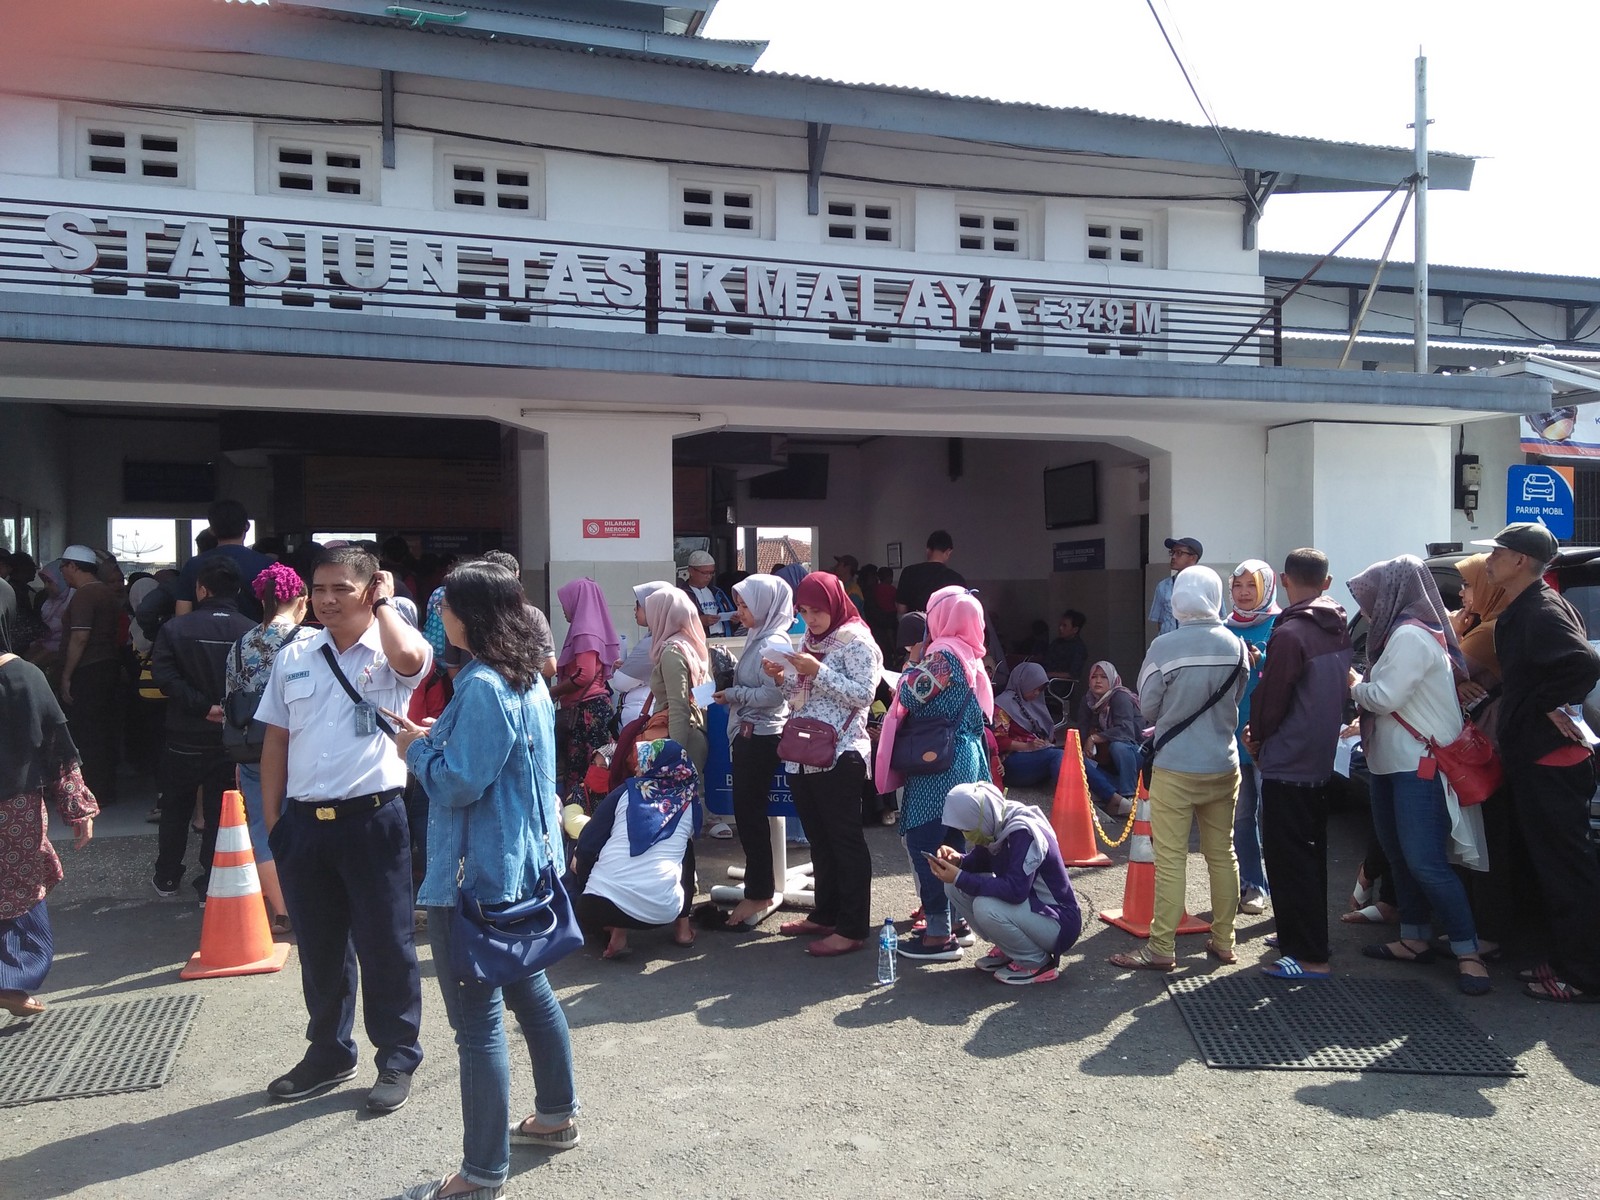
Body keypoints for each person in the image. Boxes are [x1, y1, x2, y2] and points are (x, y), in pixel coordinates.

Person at [392, 559, 580, 1199]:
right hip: (524, 867)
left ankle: (480, 1175)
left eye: (443, 607)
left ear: (467, 617)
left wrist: (415, 750)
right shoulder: (525, 680)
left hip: (474, 879)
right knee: (532, 994)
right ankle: (555, 1115)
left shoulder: (480, 686)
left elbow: (456, 783)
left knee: (478, 1027)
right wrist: (436, 741)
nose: (437, 618)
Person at [256, 546, 433, 1112]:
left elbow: (411, 663)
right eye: (319, 589)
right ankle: (329, 1051)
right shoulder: (295, 654)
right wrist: (275, 819)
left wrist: (385, 605)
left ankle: (397, 1057)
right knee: (321, 946)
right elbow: (276, 740)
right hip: (306, 823)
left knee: (387, 945)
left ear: (369, 590)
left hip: (373, 818)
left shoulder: (396, 642)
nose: (327, 601)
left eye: (342, 589)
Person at [1347, 555, 1490, 997]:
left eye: (1368, 599)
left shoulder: (1409, 635)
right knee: (1400, 854)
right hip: (1393, 763)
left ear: (1389, 595)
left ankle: (1468, 953)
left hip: (1417, 766)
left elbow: (1385, 696)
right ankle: (1413, 936)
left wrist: (1351, 683)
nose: (1366, 609)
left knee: (1425, 861)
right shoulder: (1404, 633)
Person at [1475, 522, 1600, 1003]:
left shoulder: (1541, 608)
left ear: (1521, 560)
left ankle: (1583, 974)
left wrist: (1547, 702)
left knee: (1568, 868)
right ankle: (1566, 959)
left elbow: (1584, 664)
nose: (1489, 560)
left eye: (1499, 552)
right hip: (1537, 754)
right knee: (1548, 866)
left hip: (1552, 757)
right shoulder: (1529, 604)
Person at [1110, 566, 1246, 972]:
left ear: (1178, 599)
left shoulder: (1164, 647)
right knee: (1223, 852)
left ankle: (1162, 948)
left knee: (1171, 859)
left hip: (1175, 766)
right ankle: (1224, 940)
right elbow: (1238, 696)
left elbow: (1148, 707)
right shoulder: (1236, 646)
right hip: (1223, 763)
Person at [1243, 548, 1350, 980]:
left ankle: (1308, 955)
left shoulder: (1290, 635)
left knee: (1290, 859)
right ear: (1326, 582)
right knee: (1309, 854)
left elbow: (1272, 699)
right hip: (1319, 757)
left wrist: (1257, 736)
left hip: (1288, 759)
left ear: (1284, 581)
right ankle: (1299, 937)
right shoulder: (1337, 627)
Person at [765, 571, 883, 957]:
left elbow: (865, 694)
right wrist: (783, 676)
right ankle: (826, 913)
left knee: (844, 840)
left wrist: (819, 670)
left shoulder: (857, 642)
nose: (811, 618)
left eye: (817, 610)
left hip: (841, 753)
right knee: (819, 838)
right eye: (804, 611)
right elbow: (801, 695)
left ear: (834, 604)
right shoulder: (811, 640)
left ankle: (851, 927)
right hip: (803, 754)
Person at [877, 585, 992, 962]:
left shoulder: (942, 655)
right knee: (954, 840)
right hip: (968, 756)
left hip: (940, 763)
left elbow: (910, 694)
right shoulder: (971, 653)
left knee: (923, 838)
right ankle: (958, 922)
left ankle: (938, 935)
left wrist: (911, 663)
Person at [151, 556, 256, 905]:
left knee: (176, 807)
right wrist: (223, 709)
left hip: (183, 733)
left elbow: (165, 678)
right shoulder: (251, 631)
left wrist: (200, 705)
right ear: (238, 591)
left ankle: (166, 874)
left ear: (200, 589)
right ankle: (211, 879)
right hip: (231, 737)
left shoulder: (175, 629)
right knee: (220, 810)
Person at [0, 640, 97, 1017]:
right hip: (16, 806)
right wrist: (77, 806)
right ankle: (12, 978)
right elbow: (57, 746)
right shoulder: (24, 675)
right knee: (23, 885)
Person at [224, 563, 315, 932]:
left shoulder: (239, 645)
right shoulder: (307, 640)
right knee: (304, 822)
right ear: (302, 600)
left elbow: (230, 699)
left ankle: (282, 910)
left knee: (262, 826)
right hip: (299, 744)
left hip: (251, 748)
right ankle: (308, 900)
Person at [928, 781, 1082, 985]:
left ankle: (1036, 962)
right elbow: (983, 860)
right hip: (1033, 913)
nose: (966, 833)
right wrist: (959, 860)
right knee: (954, 886)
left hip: (1059, 923)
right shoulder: (996, 821)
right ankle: (1012, 948)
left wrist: (959, 876)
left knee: (984, 905)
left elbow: (1016, 890)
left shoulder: (1022, 831)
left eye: (967, 827)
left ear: (979, 816)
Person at [713, 574, 793, 928]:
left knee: (750, 813)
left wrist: (733, 695)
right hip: (750, 731)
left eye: (746, 605)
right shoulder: (758, 636)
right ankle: (759, 883)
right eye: (740, 604)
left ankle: (759, 891)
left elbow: (774, 697)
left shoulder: (770, 642)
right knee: (748, 813)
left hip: (761, 735)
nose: (739, 612)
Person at [1446, 552, 1515, 960]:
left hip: (1487, 749)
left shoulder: (1488, 630)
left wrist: (1452, 632)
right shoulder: (1486, 623)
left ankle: (1489, 931)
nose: (1462, 592)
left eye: (1470, 584)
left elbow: (1442, 671)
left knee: (1488, 840)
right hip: (1489, 746)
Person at [571, 738, 699, 958]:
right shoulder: (690, 803)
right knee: (683, 849)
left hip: (596, 908)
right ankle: (683, 930)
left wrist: (586, 880)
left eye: (644, 761)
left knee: (603, 849)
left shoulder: (625, 792)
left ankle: (616, 933)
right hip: (662, 911)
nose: (638, 767)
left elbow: (587, 845)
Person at [1226, 559, 1280, 917]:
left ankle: (1282, 888)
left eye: (1252, 586)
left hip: (1269, 737)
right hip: (1232, 736)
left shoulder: (1280, 626)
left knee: (1273, 815)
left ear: (1267, 589)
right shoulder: (1224, 629)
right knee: (1242, 816)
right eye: (1238, 586)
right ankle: (1252, 885)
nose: (1244, 593)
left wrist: (1261, 663)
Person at [57, 545, 123, 805]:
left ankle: (90, 792)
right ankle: (105, 789)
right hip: (107, 666)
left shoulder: (85, 595)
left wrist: (66, 675)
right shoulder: (106, 592)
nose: (62, 572)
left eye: (63, 566)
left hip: (88, 670)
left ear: (73, 566)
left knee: (87, 733)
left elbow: (80, 637)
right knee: (104, 731)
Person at [643, 588, 713, 819]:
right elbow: (704, 698)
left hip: (679, 738)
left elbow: (678, 707)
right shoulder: (694, 646)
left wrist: (674, 756)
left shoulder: (673, 652)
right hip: (695, 735)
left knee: (676, 819)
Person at [550, 578, 620, 796]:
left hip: (587, 716)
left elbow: (584, 675)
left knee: (586, 776)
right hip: (594, 710)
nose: (563, 609)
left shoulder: (585, 632)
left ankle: (584, 823)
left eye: (565, 603)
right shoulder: (592, 629)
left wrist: (552, 692)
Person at [442, 551, 555, 683]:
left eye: (444, 608)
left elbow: (453, 670)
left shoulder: (482, 683)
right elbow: (549, 667)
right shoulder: (532, 681)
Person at [174, 499, 275, 622]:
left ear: (211, 530)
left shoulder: (193, 565)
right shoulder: (267, 565)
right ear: (246, 526)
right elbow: (275, 613)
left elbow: (182, 615)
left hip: (204, 638)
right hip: (253, 639)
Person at [1078, 662, 1140, 815]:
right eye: (1094, 677)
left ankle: (1128, 796)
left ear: (1112, 679)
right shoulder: (1088, 701)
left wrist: (1094, 738)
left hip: (1136, 754)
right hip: (1107, 761)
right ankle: (1114, 793)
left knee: (1118, 746)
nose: (1098, 681)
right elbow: (1081, 733)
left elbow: (1126, 732)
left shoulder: (1120, 697)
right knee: (1077, 759)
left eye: (1103, 677)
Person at [612, 580, 675, 729]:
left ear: (654, 607)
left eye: (639, 605)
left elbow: (620, 683)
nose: (635, 610)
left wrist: (624, 670)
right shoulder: (668, 635)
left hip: (647, 720)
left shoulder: (654, 642)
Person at [993, 661, 1064, 788]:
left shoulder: (1033, 704)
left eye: (1040, 689)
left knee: (1074, 756)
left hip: (1036, 758)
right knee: (1059, 755)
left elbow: (1047, 734)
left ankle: (1110, 794)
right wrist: (1029, 746)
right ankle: (1068, 798)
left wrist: (1043, 742)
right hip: (1011, 763)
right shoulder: (1004, 704)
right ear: (1022, 682)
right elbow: (998, 741)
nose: (1037, 693)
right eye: (1033, 687)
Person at [895, 530, 965, 615]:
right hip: (943, 627)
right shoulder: (956, 579)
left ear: (928, 550)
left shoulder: (908, 572)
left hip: (915, 626)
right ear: (948, 552)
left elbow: (901, 609)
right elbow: (960, 612)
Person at [1148, 536, 1203, 636]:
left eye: (1179, 553)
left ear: (1193, 557)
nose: (1173, 557)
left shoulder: (1207, 585)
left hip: (1197, 645)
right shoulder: (1164, 586)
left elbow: (1217, 617)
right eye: (1172, 552)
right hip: (1169, 644)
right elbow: (1160, 621)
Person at [1043, 609, 1089, 721]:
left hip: (1059, 685)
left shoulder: (1078, 648)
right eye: (1060, 625)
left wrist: (1048, 674)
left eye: (1064, 626)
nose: (1060, 628)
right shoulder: (1056, 643)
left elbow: (1073, 674)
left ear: (1075, 629)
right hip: (1044, 679)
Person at [681, 550, 736, 637]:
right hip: (699, 641)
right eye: (704, 573)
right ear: (691, 571)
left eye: (711, 573)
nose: (708, 577)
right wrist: (699, 621)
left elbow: (731, 613)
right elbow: (675, 622)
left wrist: (735, 620)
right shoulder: (681, 594)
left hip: (724, 638)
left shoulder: (717, 592)